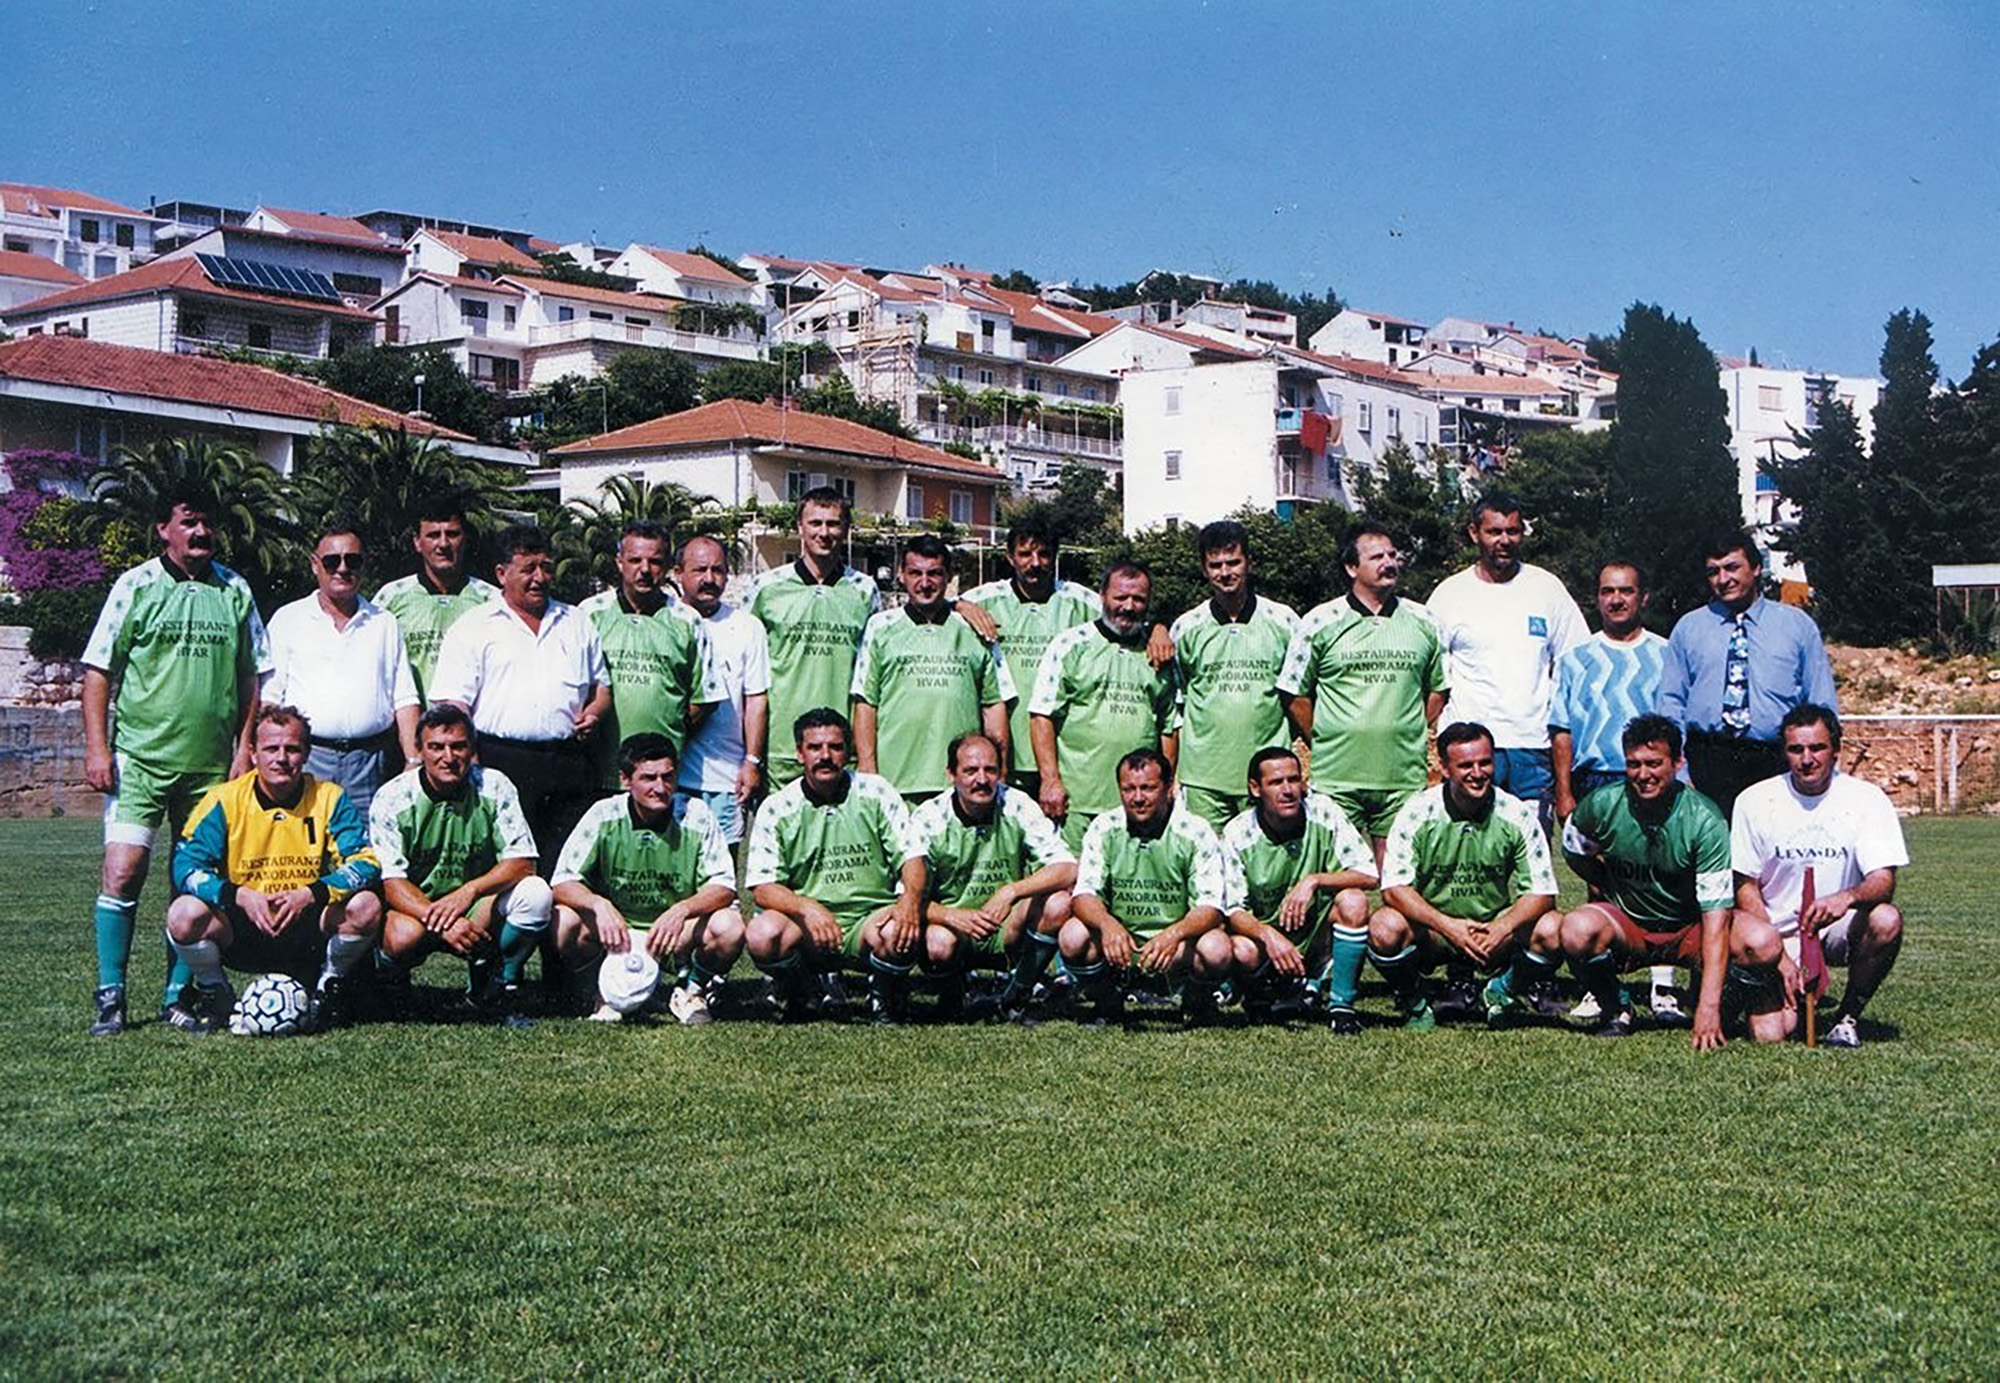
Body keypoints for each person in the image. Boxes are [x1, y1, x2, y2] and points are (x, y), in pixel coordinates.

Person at [79, 484, 273, 1035]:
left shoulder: (234, 589)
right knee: (123, 871)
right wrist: (97, 747)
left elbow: (251, 675)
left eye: (207, 523)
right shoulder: (135, 585)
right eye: (188, 522)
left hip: (211, 768)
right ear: (164, 529)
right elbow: (98, 670)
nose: (200, 532)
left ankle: (176, 996)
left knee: (192, 884)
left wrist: (244, 748)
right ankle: (111, 994)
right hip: (140, 760)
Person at [163, 705, 381, 1033]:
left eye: (292, 749)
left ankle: (327, 988)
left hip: (306, 924)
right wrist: (238, 896)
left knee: (366, 906)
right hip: (244, 924)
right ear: (252, 753)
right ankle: (215, 992)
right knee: (183, 913)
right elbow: (185, 866)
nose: (282, 758)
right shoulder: (223, 800)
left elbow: (365, 863)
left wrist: (312, 893)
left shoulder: (329, 797)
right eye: (271, 749)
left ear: (306, 753)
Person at [430, 524, 611, 875]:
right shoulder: (474, 626)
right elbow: (453, 708)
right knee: (504, 868)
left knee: (565, 870)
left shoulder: (576, 621)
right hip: (500, 763)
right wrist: (473, 767)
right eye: (528, 569)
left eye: (545, 567)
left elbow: (601, 689)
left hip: (568, 764)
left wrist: (594, 714)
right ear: (501, 573)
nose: (540, 578)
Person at [1728, 705, 1908, 1049]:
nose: (1807, 759)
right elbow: (1745, 886)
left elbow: (1883, 881)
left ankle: (1847, 1017)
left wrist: (1845, 899)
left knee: (1886, 919)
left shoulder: (1867, 798)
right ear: (1785, 752)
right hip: (1776, 933)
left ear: (1836, 750)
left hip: (1836, 926)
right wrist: (1778, 957)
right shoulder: (1754, 800)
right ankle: (1746, 986)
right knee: (1770, 1036)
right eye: (1796, 749)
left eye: (1817, 748)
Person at [1548, 560, 1679, 1022]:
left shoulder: (1667, 654)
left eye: (1626, 591)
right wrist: (1565, 791)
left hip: (1652, 781)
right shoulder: (1576, 658)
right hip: (1597, 780)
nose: (1617, 599)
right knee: (1598, 883)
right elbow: (1561, 729)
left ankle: (1663, 987)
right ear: (1597, 597)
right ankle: (1596, 984)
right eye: (1607, 591)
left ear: (1643, 597)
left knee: (1661, 879)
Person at [1369, 722, 1562, 1031]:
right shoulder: (1418, 811)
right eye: (1465, 765)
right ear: (1445, 768)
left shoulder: (1515, 813)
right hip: (1435, 931)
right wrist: (1448, 926)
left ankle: (1502, 991)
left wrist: (1502, 927)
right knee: (1383, 926)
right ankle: (1414, 1002)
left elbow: (1542, 892)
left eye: (1485, 762)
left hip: (1492, 929)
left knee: (1552, 928)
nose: (1478, 772)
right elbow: (1394, 889)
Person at [960, 515, 1174, 795]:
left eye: (1044, 554)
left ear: (1055, 556)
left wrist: (1159, 628)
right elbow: (937, 603)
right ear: (1009, 557)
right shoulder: (985, 599)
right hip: (1006, 753)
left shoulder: (1080, 601)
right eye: (1025, 554)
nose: (1035, 562)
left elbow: (1125, 612)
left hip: (1063, 760)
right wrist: (962, 607)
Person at [1556, 715, 1735, 1047]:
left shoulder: (1705, 819)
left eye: (1654, 764)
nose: (1643, 775)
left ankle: (1713, 1002)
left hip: (1686, 928)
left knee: (1760, 940)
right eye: (1634, 764)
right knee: (1575, 928)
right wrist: (1605, 882)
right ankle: (1615, 1007)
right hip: (1630, 927)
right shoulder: (1602, 805)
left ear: (1677, 763)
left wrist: (1709, 1008)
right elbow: (1573, 850)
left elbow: (1716, 918)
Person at [369, 704, 550, 1025]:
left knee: (535, 894)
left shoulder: (495, 785)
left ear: (472, 749)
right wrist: (442, 920)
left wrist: (469, 892)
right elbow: (392, 882)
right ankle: (390, 990)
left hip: (474, 907)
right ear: (419, 750)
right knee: (401, 935)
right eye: (436, 747)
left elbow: (523, 862)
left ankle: (497, 986)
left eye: (458, 746)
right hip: (417, 908)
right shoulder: (392, 797)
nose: (448, 757)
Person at [743, 709, 927, 1023]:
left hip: (869, 920)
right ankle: (802, 987)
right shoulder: (777, 807)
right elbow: (763, 888)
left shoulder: (876, 792)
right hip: (809, 925)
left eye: (835, 747)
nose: (825, 756)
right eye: (815, 748)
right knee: (763, 933)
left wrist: (909, 900)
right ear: (800, 754)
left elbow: (912, 857)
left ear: (849, 752)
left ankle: (884, 996)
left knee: (899, 927)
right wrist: (806, 908)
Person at [1280, 520, 1446, 865]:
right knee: (1341, 886)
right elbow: (1295, 695)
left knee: (1401, 882)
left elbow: (1437, 690)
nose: (1388, 562)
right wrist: (1327, 736)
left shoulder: (1424, 621)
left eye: (1392, 555)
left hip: (1402, 777)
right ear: (1351, 567)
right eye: (1376, 557)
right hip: (1338, 778)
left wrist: (1407, 728)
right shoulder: (1319, 621)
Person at [552, 733, 742, 1026]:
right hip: (618, 932)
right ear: (626, 780)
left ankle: (689, 990)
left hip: (674, 932)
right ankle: (604, 992)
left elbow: (724, 886)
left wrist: (682, 910)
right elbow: (563, 881)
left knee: (728, 926)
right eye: (648, 778)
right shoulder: (604, 815)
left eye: (668, 777)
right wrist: (598, 904)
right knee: (563, 922)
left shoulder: (696, 814)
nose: (660, 787)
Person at [1425, 491, 1587, 828]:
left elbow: (1575, 665)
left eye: (1512, 531)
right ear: (1474, 533)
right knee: (1469, 853)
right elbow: (1431, 678)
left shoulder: (1547, 588)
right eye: (1494, 532)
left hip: (1532, 747)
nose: (1504, 541)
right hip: (1470, 752)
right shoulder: (1449, 595)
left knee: (1533, 856)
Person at [1657, 530, 1839, 819]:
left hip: (1774, 760)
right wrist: (1679, 772)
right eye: (1713, 571)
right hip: (1708, 760)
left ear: (1756, 568)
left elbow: (1821, 702)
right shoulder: (1689, 628)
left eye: (1732, 567)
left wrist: (1826, 770)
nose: (1723, 579)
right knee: (1712, 860)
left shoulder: (1796, 626)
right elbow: (1670, 703)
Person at [1062, 748, 1238, 1026]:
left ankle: (1196, 1003)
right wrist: (1108, 926)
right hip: (1121, 944)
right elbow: (1083, 896)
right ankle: (1107, 1002)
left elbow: (1211, 908)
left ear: (1169, 788)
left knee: (1216, 947)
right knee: (1073, 935)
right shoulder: (1104, 826)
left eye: (1148, 788)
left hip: (1176, 947)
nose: (1138, 798)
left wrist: (1172, 935)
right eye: (1128, 789)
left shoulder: (1195, 831)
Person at [908, 732, 1076, 1021]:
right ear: (951, 774)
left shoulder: (1017, 804)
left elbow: (1067, 867)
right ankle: (952, 995)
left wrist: (1011, 891)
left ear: (1000, 772)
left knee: (1059, 902)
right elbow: (905, 897)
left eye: (990, 770)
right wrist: (951, 916)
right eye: (970, 771)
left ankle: (1017, 994)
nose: (982, 779)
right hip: (953, 928)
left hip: (1006, 924)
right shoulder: (929, 818)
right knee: (936, 941)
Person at [264, 522, 420, 820]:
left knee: (367, 852)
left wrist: (413, 759)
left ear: (364, 564)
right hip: (307, 760)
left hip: (370, 765)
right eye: (332, 561)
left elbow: (404, 698)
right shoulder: (288, 619)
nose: (343, 568)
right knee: (304, 852)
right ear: (315, 564)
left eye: (353, 560)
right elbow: (270, 698)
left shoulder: (383, 622)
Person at [1220, 747, 1378, 1032]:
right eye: (1276, 783)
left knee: (1353, 901)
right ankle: (1258, 996)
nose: (1288, 790)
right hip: (1265, 942)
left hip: (1315, 932)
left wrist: (1314, 880)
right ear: (1255, 789)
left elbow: (1369, 874)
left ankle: (1341, 1007)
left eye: (1293, 780)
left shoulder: (1324, 812)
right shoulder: (1238, 833)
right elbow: (1233, 910)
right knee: (1240, 948)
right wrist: (1270, 937)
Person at [1027, 560, 1180, 853]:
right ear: (1102, 596)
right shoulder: (1070, 645)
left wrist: (1167, 786)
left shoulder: (1160, 655)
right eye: (1120, 597)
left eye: (1138, 599)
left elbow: (1169, 726)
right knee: (1070, 888)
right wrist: (1050, 781)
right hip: (1078, 801)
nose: (1128, 606)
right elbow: (1041, 716)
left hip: (1139, 805)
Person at [852, 534, 1013, 805]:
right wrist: (869, 770)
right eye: (915, 573)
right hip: (896, 783)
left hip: (963, 785)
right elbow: (866, 704)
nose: (924, 583)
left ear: (949, 576)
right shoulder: (880, 627)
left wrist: (1001, 770)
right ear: (901, 575)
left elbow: (994, 704)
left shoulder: (975, 629)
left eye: (935, 574)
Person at [1169, 520, 1300, 831]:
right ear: (1204, 569)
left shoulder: (1284, 621)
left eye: (1233, 562)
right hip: (1204, 778)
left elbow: (1298, 695)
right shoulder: (1185, 627)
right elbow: (1179, 700)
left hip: (1266, 773)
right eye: (1215, 565)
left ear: (1249, 563)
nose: (1225, 573)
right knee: (1207, 868)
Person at [747, 486, 881, 789]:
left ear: (846, 529)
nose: (824, 532)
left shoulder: (864, 589)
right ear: (799, 527)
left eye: (833, 523)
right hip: (781, 750)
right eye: (815, 523)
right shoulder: (767, 587)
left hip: (840, 749)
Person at [577, 520, 716, 790]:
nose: (644, 570)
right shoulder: (589, 614)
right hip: (598, 772)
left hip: (660, 778)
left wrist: (672, 729)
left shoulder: (687, 620)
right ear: (619, 562)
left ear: (666, 567)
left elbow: (704, 698)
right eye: (635, 560)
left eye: (654, 562)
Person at [671, 533, 770, 853]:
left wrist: (751, 761)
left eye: (718, 570)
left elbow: (755, 700)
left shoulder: (747, 626)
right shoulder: (666, 620)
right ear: (678, 573)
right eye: (700, 570)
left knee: (724, 876)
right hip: (670, 774)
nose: (709, 579)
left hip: (725, 777)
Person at [373, 495, 499, 705]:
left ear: (465, 539)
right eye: (433, 535)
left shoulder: (491, 599)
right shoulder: (391, 597)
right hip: (411, 726)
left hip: (471, 729)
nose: (443, 544)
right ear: (417, 542)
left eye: (452, 534)